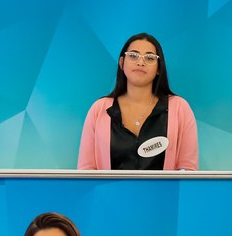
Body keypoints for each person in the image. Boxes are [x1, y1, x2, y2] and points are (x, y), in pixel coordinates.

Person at [78, 33, 198, 170]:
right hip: (109, 192)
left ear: (159, 68)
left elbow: (188, 170)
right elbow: (86, 172)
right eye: (133, 55)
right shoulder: (99, 110)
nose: (141, 62)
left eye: (150, 57)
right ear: (122, 63)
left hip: (163, 192)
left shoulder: (179, 109)